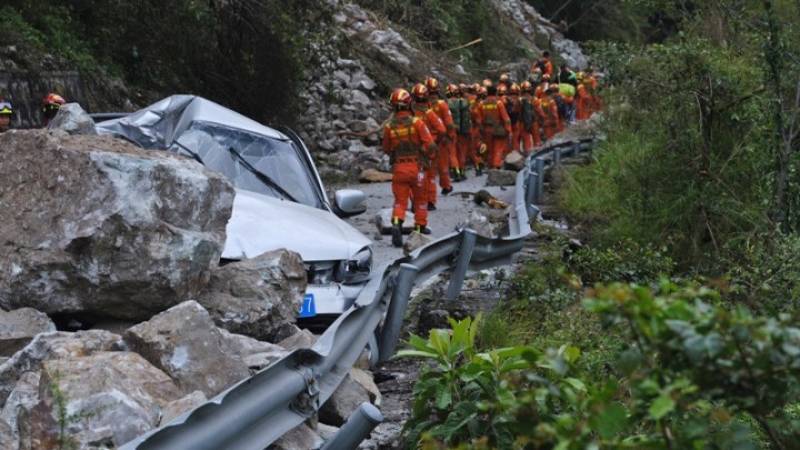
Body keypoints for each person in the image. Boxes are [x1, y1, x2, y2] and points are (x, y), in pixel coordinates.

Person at [383, 88, 437, 247]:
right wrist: (426, 155)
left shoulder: (389, 127)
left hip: (399, 169)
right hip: (417, 168)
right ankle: (419, 230)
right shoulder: (417, 123)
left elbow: (386, 148)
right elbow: (431, 145)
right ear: (409, 104)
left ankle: (396, 224)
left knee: (400, 202)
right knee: (420, 201)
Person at [411, 83, 447, 212]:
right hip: (429, 148)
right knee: (429, 176)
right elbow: (442, 129)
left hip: (414, 150)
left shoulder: (410, 114)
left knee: (415, 176)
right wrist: (436, 142)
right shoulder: (429, 113)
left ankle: (416, 202)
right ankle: (430, 202)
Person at [425, 77, 456, 197]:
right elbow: (448, 123)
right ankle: (446, 186)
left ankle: (426, 188)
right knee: (443, 164)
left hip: (427, 140)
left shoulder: (423, 107)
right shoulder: (442, 105)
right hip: (441, 138)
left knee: (428, 166)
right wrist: (451, 136)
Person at [478, 84, 512, 169]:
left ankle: (490, 165)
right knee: (498, 148)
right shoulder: (498, 103)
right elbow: (505, 118)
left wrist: (481, 129)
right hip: (498, 129)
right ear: (495, 93)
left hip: (486, 129)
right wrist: (508, 129)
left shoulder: (482, 104)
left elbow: (479, 119)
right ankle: (496, 165)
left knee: (489, 149)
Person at [446, 83, 471, 182]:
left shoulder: (447, 103)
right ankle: (462, 170)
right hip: (463, 130)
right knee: (461, 152)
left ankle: (456, 172)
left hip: (452, 129)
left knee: (452, 152)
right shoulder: (464, 102)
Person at [518, 81, 540, 152]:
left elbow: (516, 111)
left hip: (522, 123)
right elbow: (539, 111)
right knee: (537, 140)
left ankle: (527, 156)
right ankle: (538, 155)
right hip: (534, 122)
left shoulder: (520, 100)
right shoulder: (535, 99)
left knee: (526, 140)